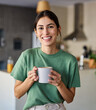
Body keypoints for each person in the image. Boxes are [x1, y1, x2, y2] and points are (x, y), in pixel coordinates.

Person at [11, 10, 80, 110]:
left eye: (50, 26)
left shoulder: (70, 60)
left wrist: (59, 84)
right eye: (40, 28)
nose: (45, 32)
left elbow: (69, 99)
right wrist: (29, 80)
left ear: (58, 29)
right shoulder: (27, 56)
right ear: (36, 32)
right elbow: (17, 94)